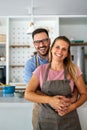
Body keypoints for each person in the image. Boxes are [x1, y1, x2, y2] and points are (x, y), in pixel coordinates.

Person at [24, 36, 87, 130]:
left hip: (69, 120)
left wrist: (72, 107)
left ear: (67, 54)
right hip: (46, 121)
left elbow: (84, 94)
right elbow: (28, 94)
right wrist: (50, 100)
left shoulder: (74, 70)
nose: (60, 51)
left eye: (64, 49)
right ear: (51, 49)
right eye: (57, 47)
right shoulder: (40, 70)